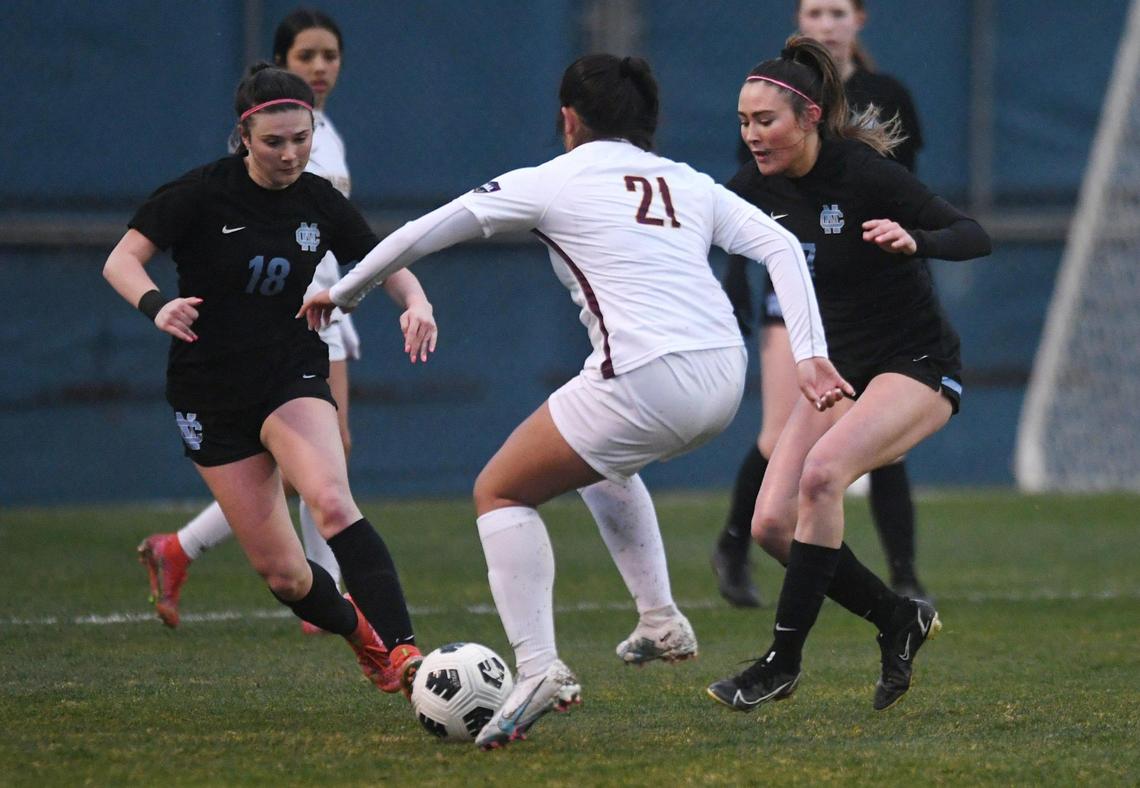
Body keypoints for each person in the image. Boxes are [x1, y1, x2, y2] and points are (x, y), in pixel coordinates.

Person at [299, 54, 851, 748]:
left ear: (568, 120)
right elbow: (778, 242)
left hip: (650, 376)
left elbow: (422, 231)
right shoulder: (688, 181)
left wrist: (342, 292)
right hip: (724, 377)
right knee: (592, 458)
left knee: (499, 491)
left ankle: (538, 667)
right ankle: (659, 617)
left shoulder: (552, 180)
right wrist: (808, 352)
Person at [103, 63, 437, 697]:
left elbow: (384, 259)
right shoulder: (198, 193)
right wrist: (156, 306)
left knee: (333, 500)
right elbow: (121, 261)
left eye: (301, 139)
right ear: (244, 136)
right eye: (274, 142)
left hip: (290, 370)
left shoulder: (319, 200)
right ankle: (361, 635)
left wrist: (416, 301)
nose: (290, 155)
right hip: (209, 391)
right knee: (284, 575)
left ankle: (404, 651)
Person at [706, 36, 990, 714]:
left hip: (918, 364)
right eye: (743, 123)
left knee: (821, 475)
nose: (752, 136)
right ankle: (898, 619)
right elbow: (687, 223)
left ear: (808, 117)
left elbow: (973, 233)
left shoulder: (863, 174)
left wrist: (917, 239)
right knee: (771, 525)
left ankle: (781, 662)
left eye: (765, 121)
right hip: (844, 368)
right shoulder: (755, 186)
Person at [137, 9, 369, 631]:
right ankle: (324, 596)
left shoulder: (329, 135)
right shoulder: (258, 142)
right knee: (316, 460)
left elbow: (342, 230)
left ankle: (185, 549)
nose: (319, 67)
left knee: (327, 457)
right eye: (306, 57)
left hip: (324, 304)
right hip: (277, 313)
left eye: (330, 55)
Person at [712, 0, 928, 608]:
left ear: (860, 20)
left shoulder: (886, 94)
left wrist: (911, 251)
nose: (826, 23)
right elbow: (742, 205)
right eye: (815, 11)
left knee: (881, 436)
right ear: (799, 24)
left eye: (838, 11)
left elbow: (907, 195)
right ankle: (735, 543)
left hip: (871, 295)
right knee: (781, 432)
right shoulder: (772, 102)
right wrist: (735, 279)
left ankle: (905, 576)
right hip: (796, 287)